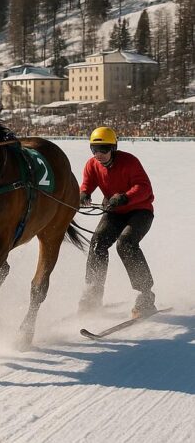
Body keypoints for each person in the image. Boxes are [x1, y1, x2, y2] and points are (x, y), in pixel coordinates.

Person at [78, 126, 157, 318]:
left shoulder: (129, 162)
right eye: (94, 150)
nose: (99, 154)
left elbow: (144, 188)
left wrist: (124, 197)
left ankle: (145, 295)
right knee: (97, 244)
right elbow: (88, 183)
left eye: (104, 149)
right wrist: (84, 193)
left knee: (125, 243)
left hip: (140, 211)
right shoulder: (92, 164)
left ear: (113, 147)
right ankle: (93, 294)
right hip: (114, 212)